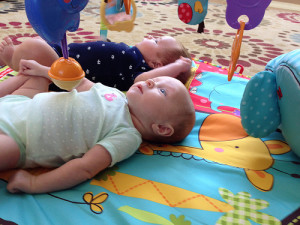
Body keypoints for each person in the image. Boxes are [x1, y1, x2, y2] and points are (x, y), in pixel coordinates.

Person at [0, 59, 196, 194]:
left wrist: (35, 183)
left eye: (162, 90)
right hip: (19, 105)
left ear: (161, 128)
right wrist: (42, 70)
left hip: (21, 139)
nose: (151, 80)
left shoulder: (127, 135)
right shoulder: (116, 94)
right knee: (35, 78)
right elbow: (79, 82)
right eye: (156, 80)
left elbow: (84, 168)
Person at [0, 35, 192, 91]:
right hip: (60, 56)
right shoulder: (133, 57)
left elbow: (142, 80)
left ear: (157, 65)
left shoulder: (139, 69)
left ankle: (12, 59)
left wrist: (177, 67)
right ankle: (19, 60)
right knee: (39, 43)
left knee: (33, 47)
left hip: (62, 74)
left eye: (156, 42)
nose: (151, 37)